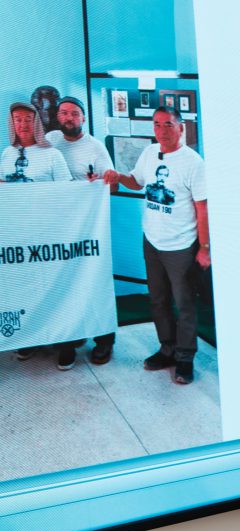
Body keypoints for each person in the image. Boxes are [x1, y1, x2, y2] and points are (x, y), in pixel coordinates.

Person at [103, 106, 210, 385]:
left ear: (180, 128)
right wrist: (118, 176)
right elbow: (137, 182)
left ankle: (185, 358)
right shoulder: (150, 153)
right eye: (157, 124)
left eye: (168, 124)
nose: (162, 130)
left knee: (184, 303)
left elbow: (202, 208)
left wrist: (204, 247)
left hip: (181, 245)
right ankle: (167, 349)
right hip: (151, 241)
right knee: (158, 299)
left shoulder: (193, 162)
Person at [46, 96, 117, 365]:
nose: (69, 118)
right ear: (57, 117)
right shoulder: (51, 140)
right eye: (64, 113)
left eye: (75, 113)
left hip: (87, 228)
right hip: (59, 226)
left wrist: (100, 181)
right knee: (65, 283)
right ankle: (73, 334)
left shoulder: (95, 147)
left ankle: (104, 339)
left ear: (83, 118)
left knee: (94, 279)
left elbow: (113, 185)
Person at [3, 102, 74, 368]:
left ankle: (66, 344)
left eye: (27, 119)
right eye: (17, 119)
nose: (22, 124)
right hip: (19, 235)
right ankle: (31, 337)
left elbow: (68, 192)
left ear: (36, 123)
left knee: (55, 287)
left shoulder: (52, 154)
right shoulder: (7, 153)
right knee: (26, 288)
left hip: (47, 234)